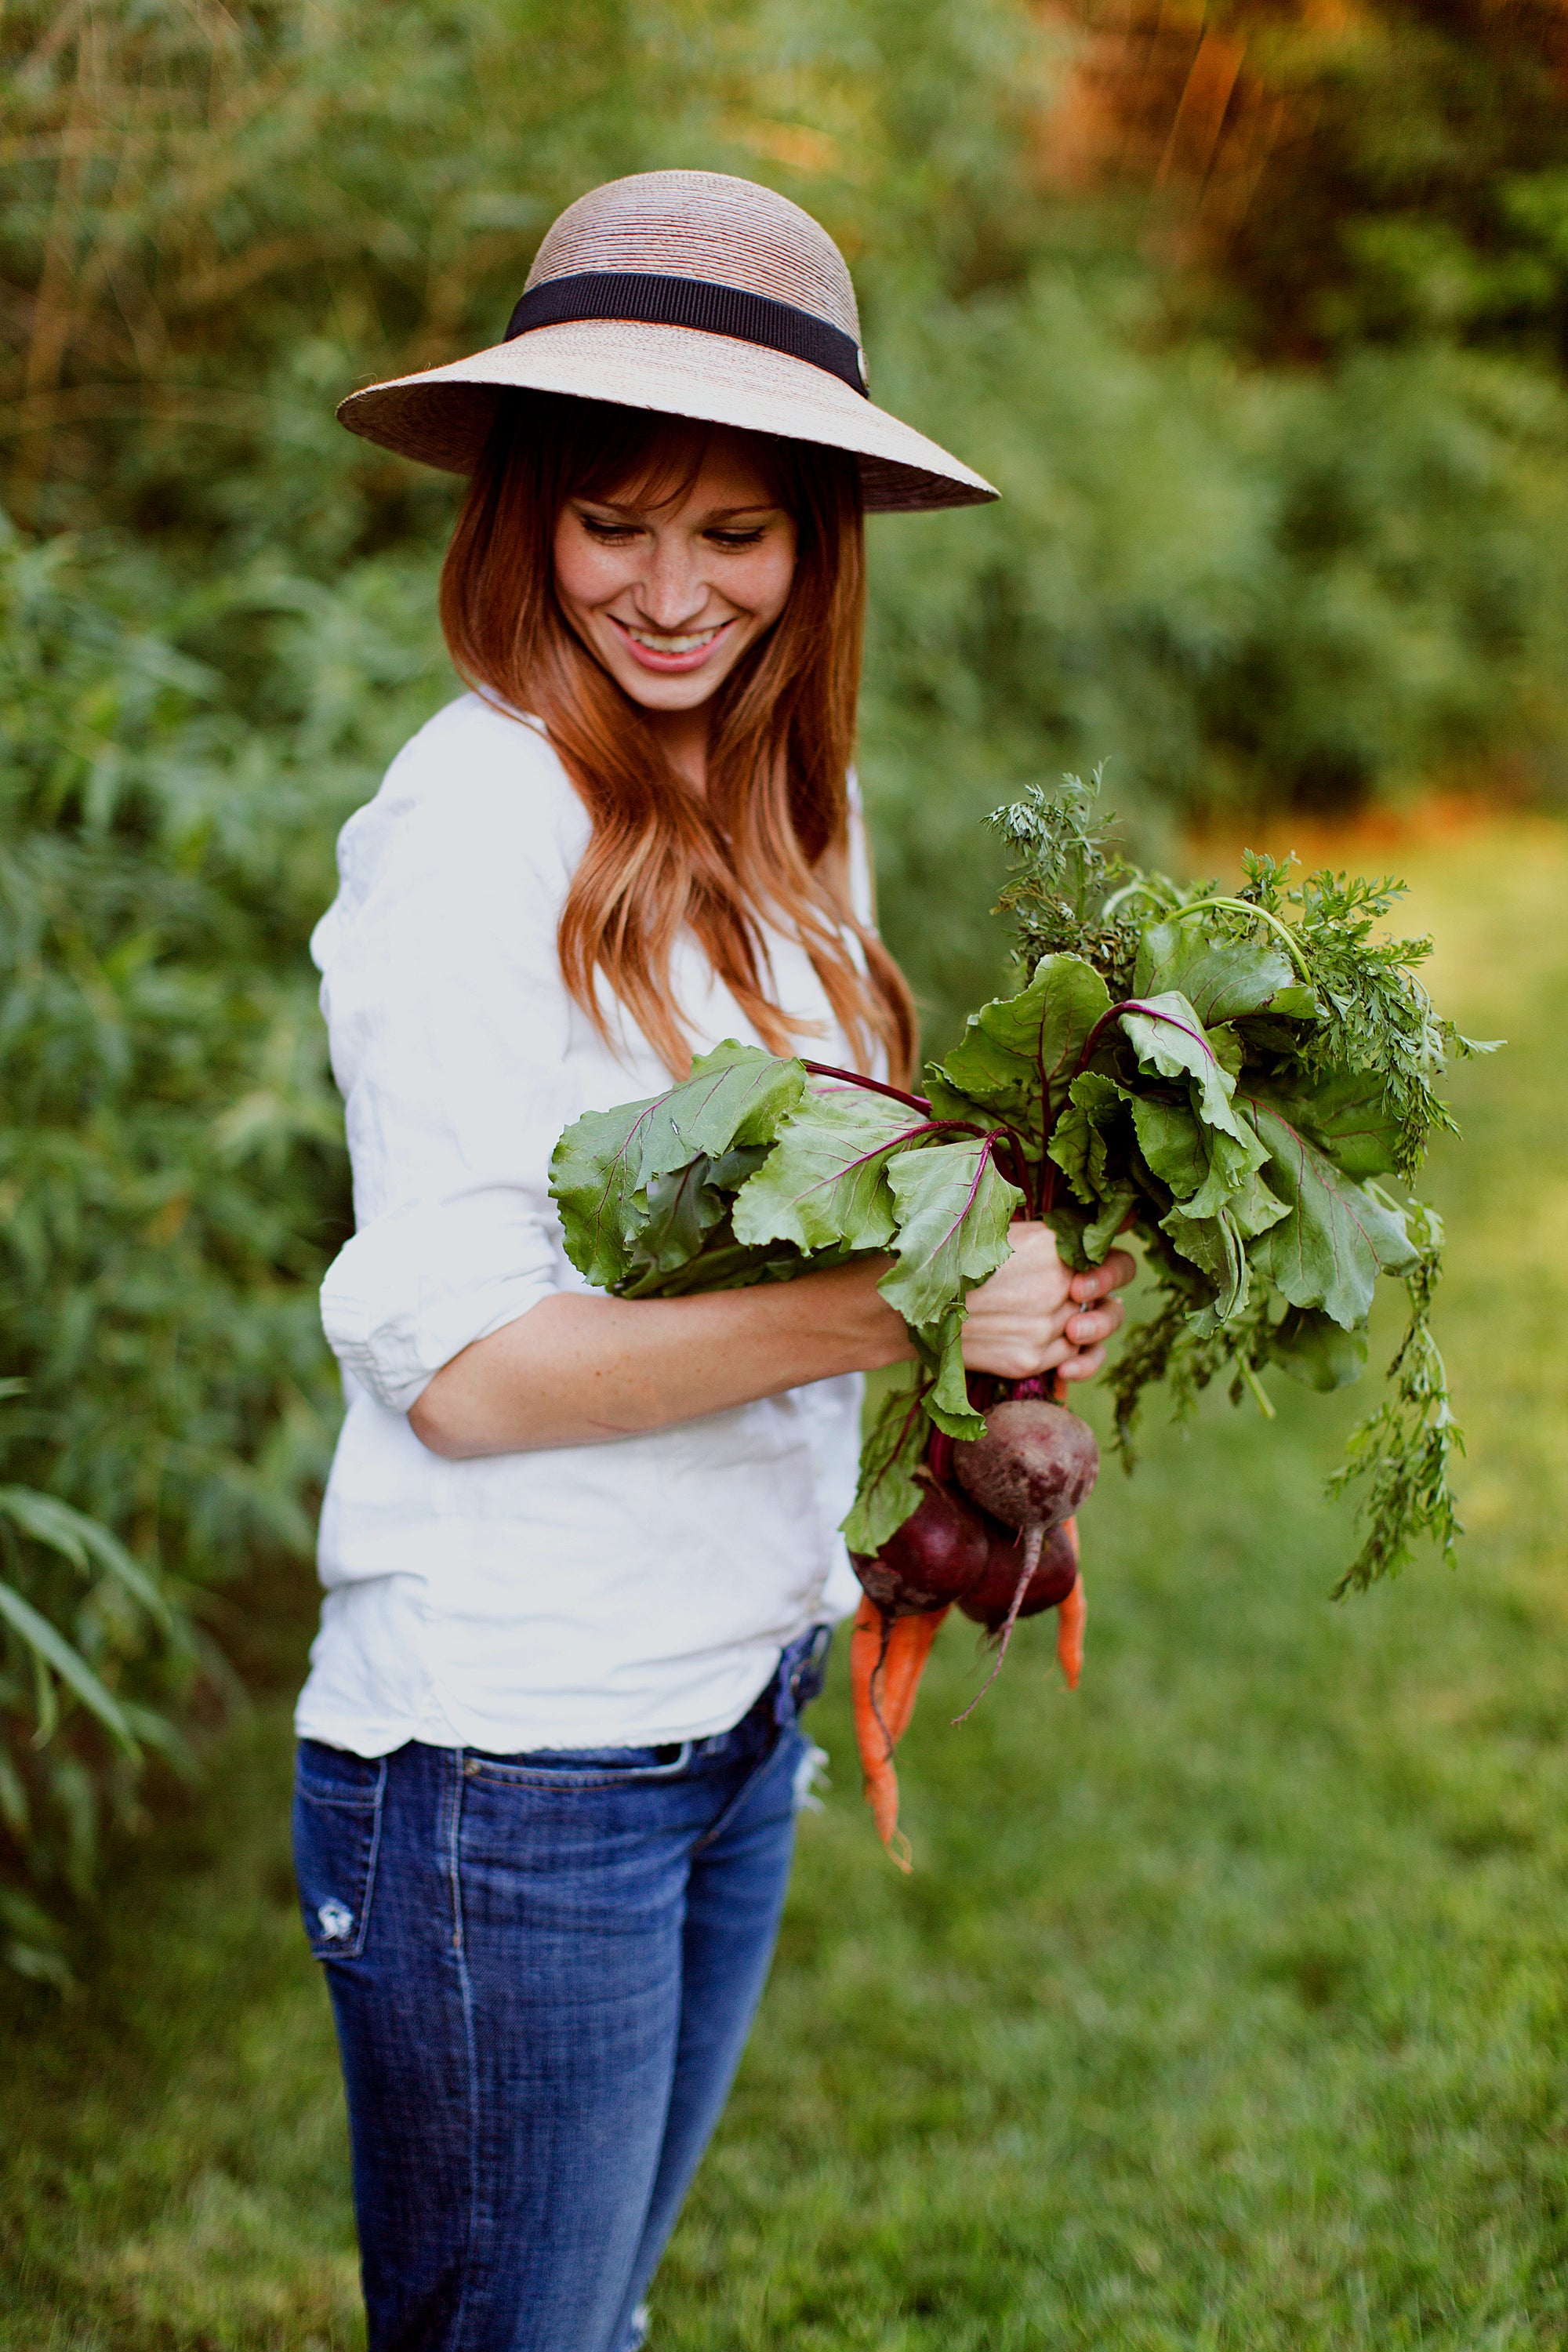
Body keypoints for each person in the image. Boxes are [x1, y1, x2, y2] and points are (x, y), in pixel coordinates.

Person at [292, 169, 1134, 2352]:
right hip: (515, 1765)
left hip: (733, 1705)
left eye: (736, 533)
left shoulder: (793, 801)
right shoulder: (476, 824)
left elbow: (833, 1223)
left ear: (816, 545)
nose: (670, 594)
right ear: (526, 514)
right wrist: (897, 1303)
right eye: (614, 522)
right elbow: (466, 1370)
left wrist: (1004, 1299)